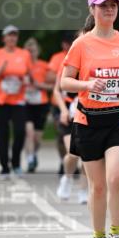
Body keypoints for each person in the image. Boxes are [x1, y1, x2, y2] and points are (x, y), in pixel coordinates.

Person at [59, 0, 119, 238]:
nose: (109, 10)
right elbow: (64, 81)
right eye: (103, 5)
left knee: (116, 177)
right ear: (92, 10)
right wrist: (87, 83)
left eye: (113, 5)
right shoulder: (81, 44)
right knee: (97, 187)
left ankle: (116, 233)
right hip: (88, 120)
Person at [0, 25, 34, 179]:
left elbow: (29, 75)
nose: (12, 38)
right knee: (3, 133)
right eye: (9, 35)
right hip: (0, 100)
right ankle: (4, 167)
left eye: (14, 35)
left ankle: (16, 163)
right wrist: (1, 69)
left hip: (18, 100)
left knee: (20, 131)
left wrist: (27, 79)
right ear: (4, 38)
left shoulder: (24, 54)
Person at [46, 31, 77, 175]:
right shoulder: (60, 59)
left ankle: (72, 166)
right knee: (63, 136)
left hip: (81, 105)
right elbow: (51, 77)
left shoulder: (88, 56)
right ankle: (65, 163)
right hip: (61, 104)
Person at [23, 37, 52, 172]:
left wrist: (40, 85)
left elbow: (54, 85)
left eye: (33, 51)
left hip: (41, 103)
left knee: (37, 138)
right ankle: (30, 159)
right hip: (26, 103)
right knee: (29, 132)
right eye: (28, 51)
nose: (31, 53)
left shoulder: (44, 65)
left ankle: (33, 153)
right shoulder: (21, 66)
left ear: (38, 51)